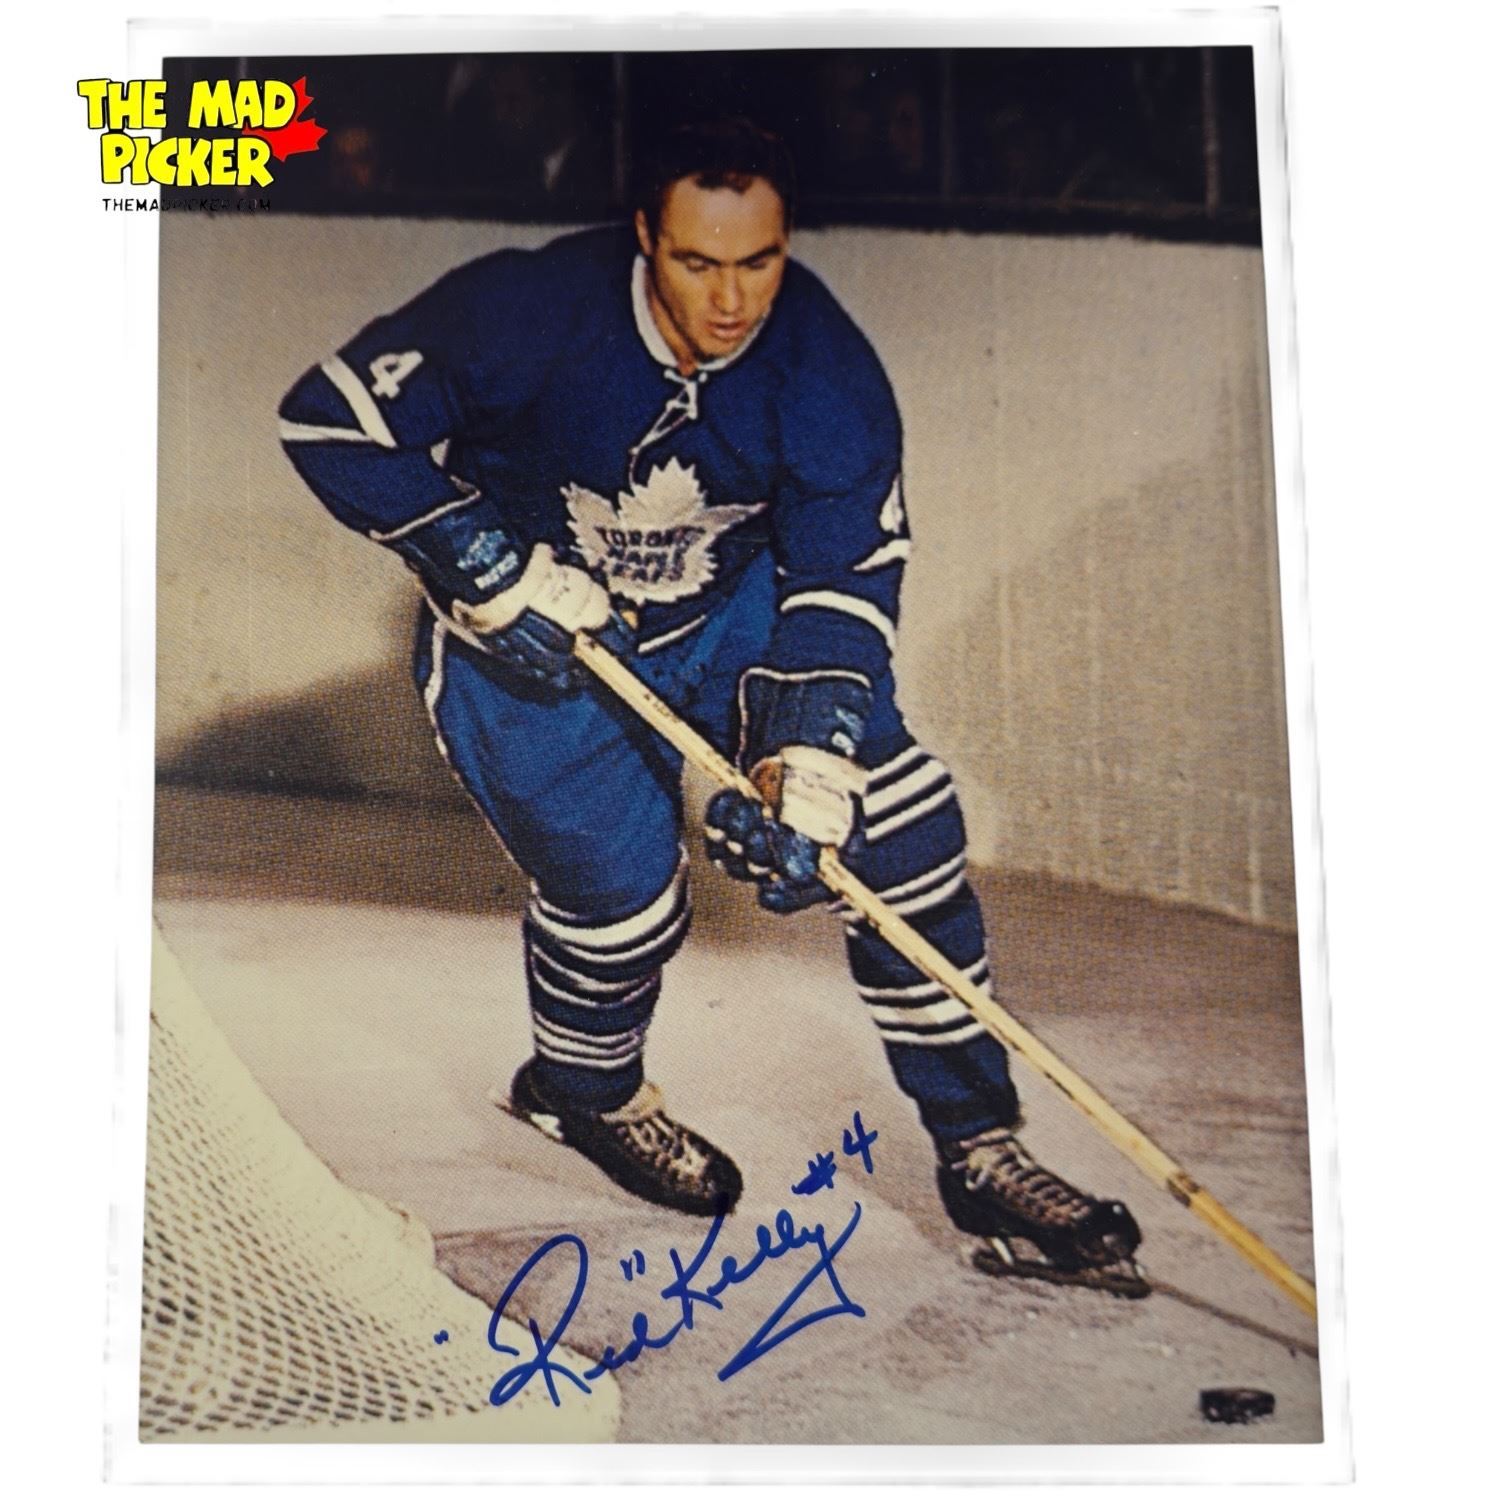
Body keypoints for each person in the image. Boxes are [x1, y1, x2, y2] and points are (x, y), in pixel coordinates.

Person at [278, 118, 1146, 1294]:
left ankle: (981, 1145)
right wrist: (484, 564)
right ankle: (585, 1093)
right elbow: (327, 419)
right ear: (645, 236)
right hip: (533, 645)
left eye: (759, 260)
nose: (733, 301)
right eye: (697, 262)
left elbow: (842, 578)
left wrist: (806, 761)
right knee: (622, 906)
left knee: (900, 828)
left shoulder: (825, 364)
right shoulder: (527, 310)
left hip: (727, 624)